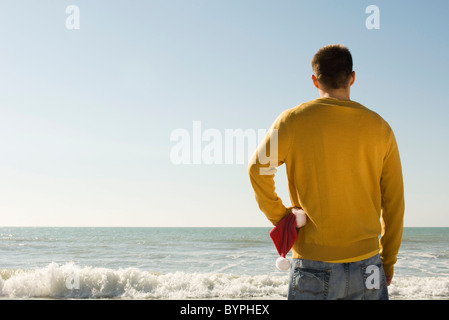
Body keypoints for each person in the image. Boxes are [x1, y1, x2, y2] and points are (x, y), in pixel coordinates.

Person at [248, 44, 405, 300]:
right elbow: (394, 201)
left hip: (312, 262)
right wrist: (388, 260)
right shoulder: (381, 128)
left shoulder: (292, 120)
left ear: (314, 80)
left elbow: (258, 170)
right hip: (368, 265)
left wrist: (282, 217)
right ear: (352, 77)